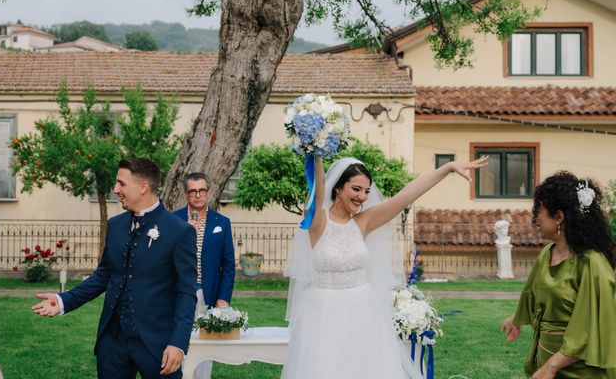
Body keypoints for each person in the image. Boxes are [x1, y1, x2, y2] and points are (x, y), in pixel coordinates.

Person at [281, 155, 488, 379]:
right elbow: (318, 188)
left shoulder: (363, 222)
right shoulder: (317, 221)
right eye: (356, 189)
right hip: (323, 312)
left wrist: (447, 168)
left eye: (366, 191)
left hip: (363, 311)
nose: (362, 197)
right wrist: (316, 152)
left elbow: (406, 195)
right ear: (338, 188)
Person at [32, 158, 198, 379]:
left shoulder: (180, 232)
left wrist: (177, 343)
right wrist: (64, 300)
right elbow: (104, 275)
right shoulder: (116, 225)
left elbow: (186, 293)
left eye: (121, 184)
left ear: (143, 187)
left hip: (158, 343)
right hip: (113, 341)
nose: (115, 189)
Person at [501, 171, 616, 379]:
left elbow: (588, 328)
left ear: (559, 217)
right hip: (546, 358)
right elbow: (533, 294)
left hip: (579, 368)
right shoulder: (547, 253)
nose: (535, 218)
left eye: (539, 211)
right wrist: (516, 319)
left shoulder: (591, 263)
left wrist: (552, 366)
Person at [174, 172, 235, 379]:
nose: (198, 195)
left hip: (208, 294)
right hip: (179, 293)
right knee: (177, 342)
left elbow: (228, 266)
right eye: (193, 191)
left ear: (208, 192)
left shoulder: (222, 222)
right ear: (186, 194)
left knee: (206, 345)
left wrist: (223, 298)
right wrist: (184, 232)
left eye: (202, 190)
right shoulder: (174, 220)